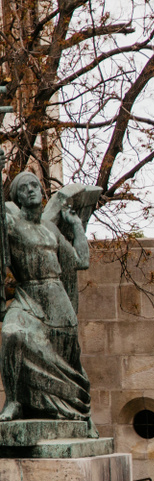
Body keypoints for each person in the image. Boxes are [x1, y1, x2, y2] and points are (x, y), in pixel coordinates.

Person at [0, 170, 97, 436]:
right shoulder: (11, 222)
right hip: (27, 295)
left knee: (69, 360)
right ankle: (14, 401)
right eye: (24, 188)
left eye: (35, 185)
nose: (31, 190)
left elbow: (80, 261)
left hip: (56, 298)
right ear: (17, 197)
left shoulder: (51, 228)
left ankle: (79, 413)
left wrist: (76, 226)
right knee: (11, 335)